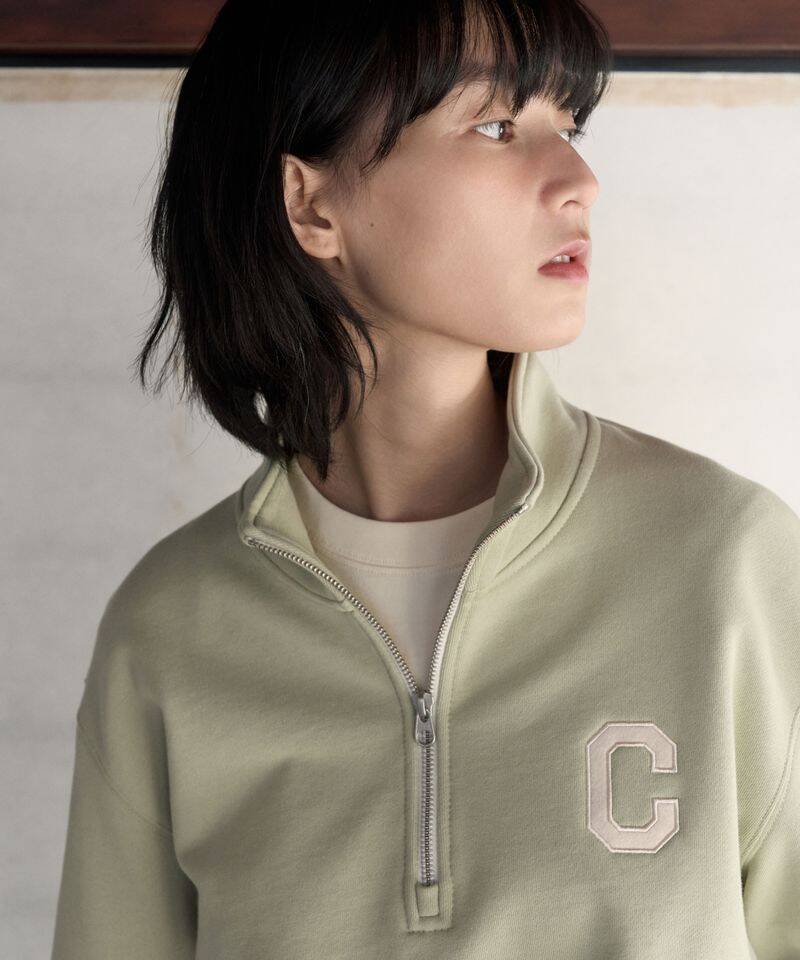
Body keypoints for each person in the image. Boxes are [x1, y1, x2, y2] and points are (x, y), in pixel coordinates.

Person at [50, 0, 800, 957]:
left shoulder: (725, 563)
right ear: (312, 206)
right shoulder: (170, 631)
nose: (579, 181)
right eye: (497, 127)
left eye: (568, 127)